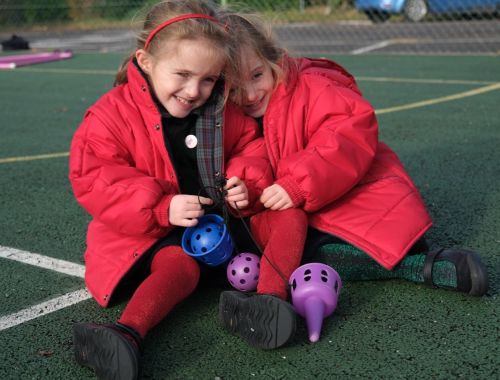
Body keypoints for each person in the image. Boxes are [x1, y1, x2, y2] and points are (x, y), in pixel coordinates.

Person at [217, 10, 489, 349]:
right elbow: (252, 158)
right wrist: (245, 188)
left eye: (257, 75)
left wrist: (297, 183)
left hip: (359, 198)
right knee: (293, 245)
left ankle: (424, 267)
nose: (251, 94)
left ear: (273, 59)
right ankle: (285, 282)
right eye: (236, 88)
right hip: (314, 210)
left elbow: (346, 136)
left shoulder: (314, 85)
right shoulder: (242, 114)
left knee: (314, 248)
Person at [68, 1, 274, 379]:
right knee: (180, 265)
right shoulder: (110, 115)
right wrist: (161, 208)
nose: (194, 90)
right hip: (145, 235)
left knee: (281, 226)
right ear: (146, 61)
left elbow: (250, 145)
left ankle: (267, 302)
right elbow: (95, 179)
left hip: (217, 230)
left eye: (208, 78)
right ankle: (125, 333)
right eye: (182, 73)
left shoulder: (220, 108)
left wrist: (246, 179)